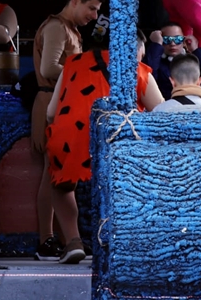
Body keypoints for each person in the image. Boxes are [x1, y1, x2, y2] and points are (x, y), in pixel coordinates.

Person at [45, 30, 163, 263]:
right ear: (136, 49)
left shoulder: (71, 63)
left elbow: (50, 113)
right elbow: (159, 114)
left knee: (61, 186)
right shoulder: (137, 70)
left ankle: (73, 242)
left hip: (72, 136)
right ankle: (119, 242)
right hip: (115, 142)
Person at [32, 0, 104, 261]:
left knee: (55, 173)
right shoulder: (56, 27)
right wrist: (86, 71)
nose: (94, 16)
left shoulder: (70, 29)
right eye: (91, 8)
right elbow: (48, 68)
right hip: (51, 102)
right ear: (75, 0)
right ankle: (46, 240)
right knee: (53, 174)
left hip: (63, 103)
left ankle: (60, 239)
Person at [143, 22, 201, 99]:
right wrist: (156, 45)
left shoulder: (193, 60)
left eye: (177, 39)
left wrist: (196, 50)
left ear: (183, 41)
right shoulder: (156, 61)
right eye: (167, 39)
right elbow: (147, 79)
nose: (173, 43)